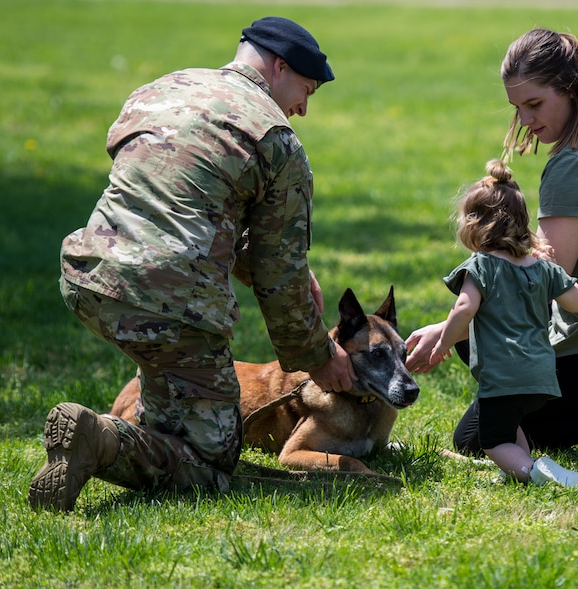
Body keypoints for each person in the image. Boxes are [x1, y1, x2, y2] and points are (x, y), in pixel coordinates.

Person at [29, 16, 356, 512]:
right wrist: (318, 357)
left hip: (90, 278)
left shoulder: (159, 90)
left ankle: (124, 428)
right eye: (305, 90)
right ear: (279, 66)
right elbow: (280, 278)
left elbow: (180, 203)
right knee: (210, 464)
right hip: (172, 305)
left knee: (175, 392)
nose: (303, 109)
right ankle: (98, 439)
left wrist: (255, 264)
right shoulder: (276, 139)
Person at [406, 28, 578, 466]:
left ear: (571, 88)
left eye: (535, 104)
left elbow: (534, 285)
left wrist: (446, 330)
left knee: (477, 434)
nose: (526, 120)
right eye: (517, 107)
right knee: (473, 343)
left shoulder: (574, 160)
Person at [429, 159, 578, 490]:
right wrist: (554, 275)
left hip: (503, 373)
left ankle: (535, 472)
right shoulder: (541, 267)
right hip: (541, 375)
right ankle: (517, 467)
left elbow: (464, 306)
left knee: (492, 439)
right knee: (510, 422)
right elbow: (577, 302)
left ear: (474, 225)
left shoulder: (481, 266)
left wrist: (442, 343)